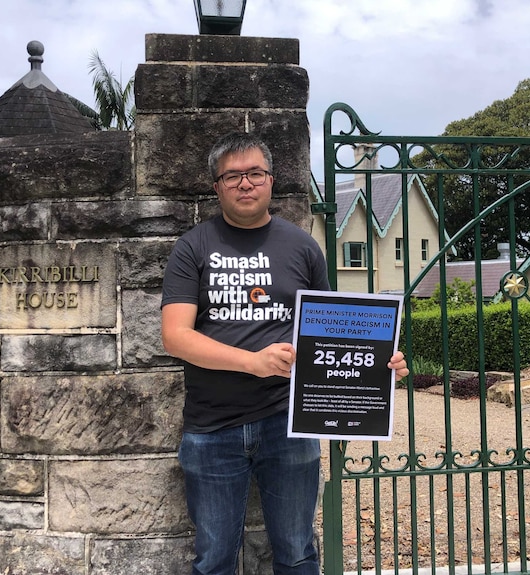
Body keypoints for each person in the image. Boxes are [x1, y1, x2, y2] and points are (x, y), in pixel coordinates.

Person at [161, 131, 409, 575]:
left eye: (255, 173)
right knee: (213, 558)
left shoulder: (301, 246)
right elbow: (175, 337)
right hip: (211, 426)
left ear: (271, 181)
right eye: (232, 175)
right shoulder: (192, 247)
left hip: (290, 422)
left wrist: (380, 363)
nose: (245, 183)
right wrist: (251, 362)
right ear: (216, 186)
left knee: (296, 553)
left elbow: (334, 331)